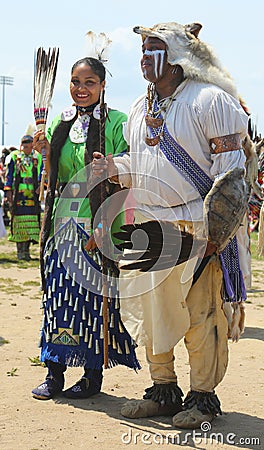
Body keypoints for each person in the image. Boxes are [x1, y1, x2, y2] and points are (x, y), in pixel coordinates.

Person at [91, 21, 249, 428]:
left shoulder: (211, 101)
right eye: (143, 49)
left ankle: (202, 397)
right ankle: (163, 390)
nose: (144, 57)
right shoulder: (140, 109)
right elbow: (140, 165)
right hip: (151, 228)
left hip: (198, 228)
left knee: (201, 314)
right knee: (152, 312)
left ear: (178, 57)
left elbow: (231, 176)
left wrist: (215, 235)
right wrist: (114, 167)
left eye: (154, 49)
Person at [31, 52, 140, 401]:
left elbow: (128, 178)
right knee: (58, 298)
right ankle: (54, 372)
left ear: (103, 85)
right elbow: (55, 176)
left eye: (89, 82)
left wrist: (105, 226)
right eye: (76, 82)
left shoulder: (117, 123)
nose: (82, 89)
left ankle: (92, 376)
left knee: (93, 300)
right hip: (62, 222)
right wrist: (45, 151)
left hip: (97, 223)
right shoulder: (59, 123)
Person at [4, 134, 42, 260]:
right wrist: (8, 194)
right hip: (18, 197)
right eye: (25, 146)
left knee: (30, 225)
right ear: (21, 146)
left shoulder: (38, 158)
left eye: (29, 146)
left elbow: (43, 174)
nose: (27, 148)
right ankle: (20, 251)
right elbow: (9, 177)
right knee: (19, 223)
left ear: (32, 146)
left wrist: (41, 186)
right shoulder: (14, 157)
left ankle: (27, 251)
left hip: (32, 196)